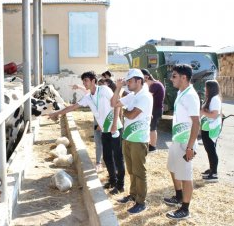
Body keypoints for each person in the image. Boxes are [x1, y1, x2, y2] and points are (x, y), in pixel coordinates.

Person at [51, 71, 125, 194]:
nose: (84, 83)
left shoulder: (104, 90)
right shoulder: (88, 97)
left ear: (93, 81)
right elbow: (73, 107)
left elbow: (116, 104)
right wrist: (56, 113)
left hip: (115, 127)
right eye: (83, 81)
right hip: (104, 129)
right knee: (106, 157)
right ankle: (112, 180)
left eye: (86, 80)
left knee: (117, 157)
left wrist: (114, 124)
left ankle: (120, 185)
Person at [111, 68, 153, 214]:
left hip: (139, 139)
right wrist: (117, 88)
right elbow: (114, 103)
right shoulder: (132, 95)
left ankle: (141, 202)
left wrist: (124, 111)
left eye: (130, 81)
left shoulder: (145, 96)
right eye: (127, 81)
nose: (127, 83)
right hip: (128, 137)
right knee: (131, 170)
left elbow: (132, 115)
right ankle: (133, 195)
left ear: (139, 81)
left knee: (139, 171)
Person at [163, 64, 200, 220]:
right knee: (172, 168)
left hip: (186, 143)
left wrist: (190, 147)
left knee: (186, 175)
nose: (172, 79)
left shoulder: (191, 95)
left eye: (174, 76)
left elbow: (196, 123)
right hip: (177, 139)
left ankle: (185, 209)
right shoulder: (180, 92)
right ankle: (178, 196)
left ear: (184, 78)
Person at [200, 80, 222, 182]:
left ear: (211, 88)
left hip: (211, 128)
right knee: (209, 150)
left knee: (211, 151)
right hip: (206, 127)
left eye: (206, 87)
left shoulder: (214, 99)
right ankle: (211, 169)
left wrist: (203, 112)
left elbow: (214, 114)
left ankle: (214, 174)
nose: (205, 89)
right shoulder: (210, 98)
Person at [141, 69, 166, 152]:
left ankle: (153, 146)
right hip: (155, 109)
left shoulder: (154, 85)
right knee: (151, 127)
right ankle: (151, 145)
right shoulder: (155, 84)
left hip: (156, 110)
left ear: (146, 77)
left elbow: (146, 97)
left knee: (152, 128)